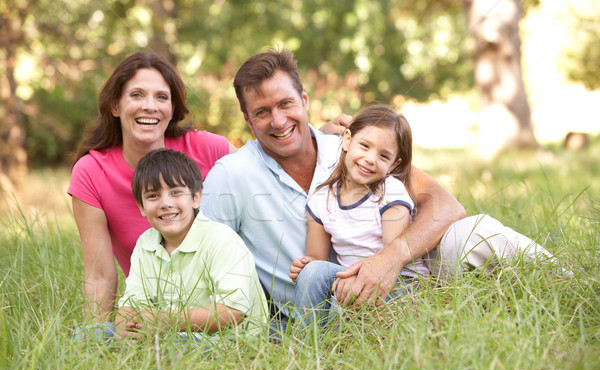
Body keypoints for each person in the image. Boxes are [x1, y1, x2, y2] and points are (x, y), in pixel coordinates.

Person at [201, 47, 556, 330]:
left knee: (479, 232)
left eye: (286, 104)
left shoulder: (349, 146)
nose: (278, 121)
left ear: (305, 100)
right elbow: (201, 257)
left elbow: (446, 206)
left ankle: (572, 285)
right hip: (329, 311)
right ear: (248, 120)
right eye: (262, 112)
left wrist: (389, 260)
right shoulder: (231, 176)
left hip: (408, 278)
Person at [68, 52, 235, 333]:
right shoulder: (91, 172)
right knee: (87, 336)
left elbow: (262, 170)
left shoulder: (207, 148)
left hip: (222, 306)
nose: (150, 107)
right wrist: (96, 341)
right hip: (154, 309)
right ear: (115, 106)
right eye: (136, 95)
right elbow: (99, 274)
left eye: (161, 97)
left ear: (172, 109)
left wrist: (316, 139)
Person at [289, 105, 428, 324]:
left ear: (394, 164)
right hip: (350, 281)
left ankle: (341, 347)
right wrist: (305, 268)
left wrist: (355, 280)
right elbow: (317, 260)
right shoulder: (321, 199)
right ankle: (305, 342)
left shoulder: (389, 191)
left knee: (344, 300)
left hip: (400, 283)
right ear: (347, 140)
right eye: (364, 145)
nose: (371, 159)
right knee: (315, 274)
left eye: (384, 156)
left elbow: (391, 257)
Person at [114, 149, 267, 345]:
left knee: (174, 347)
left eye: (176, 192)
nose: (165, 203)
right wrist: (123, 328)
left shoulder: (221, 240)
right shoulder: (145, 244)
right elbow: (131, 305)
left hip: (226, 340)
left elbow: (232, 312)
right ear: (141, 206)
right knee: (89, 334)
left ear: (196, 197)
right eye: (153, 196)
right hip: (167, 331)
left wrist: (166, 321)